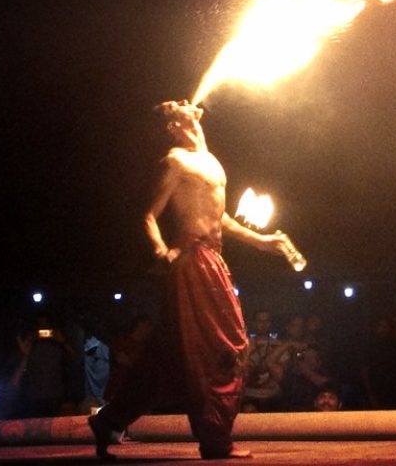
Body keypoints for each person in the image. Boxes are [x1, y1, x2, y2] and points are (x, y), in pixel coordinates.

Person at [89, 99, 287, 460]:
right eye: (174, 104)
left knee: (169, 357)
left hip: (213, 258)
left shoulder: (210, 161)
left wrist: (262, 241)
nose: (185, 101)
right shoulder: (175, 161)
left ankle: (109, 421)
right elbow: (148, 215)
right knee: (220, 348)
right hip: (191, 260)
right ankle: (215, 440)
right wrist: (161, 251)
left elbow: (218, 217)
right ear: (171, 126)